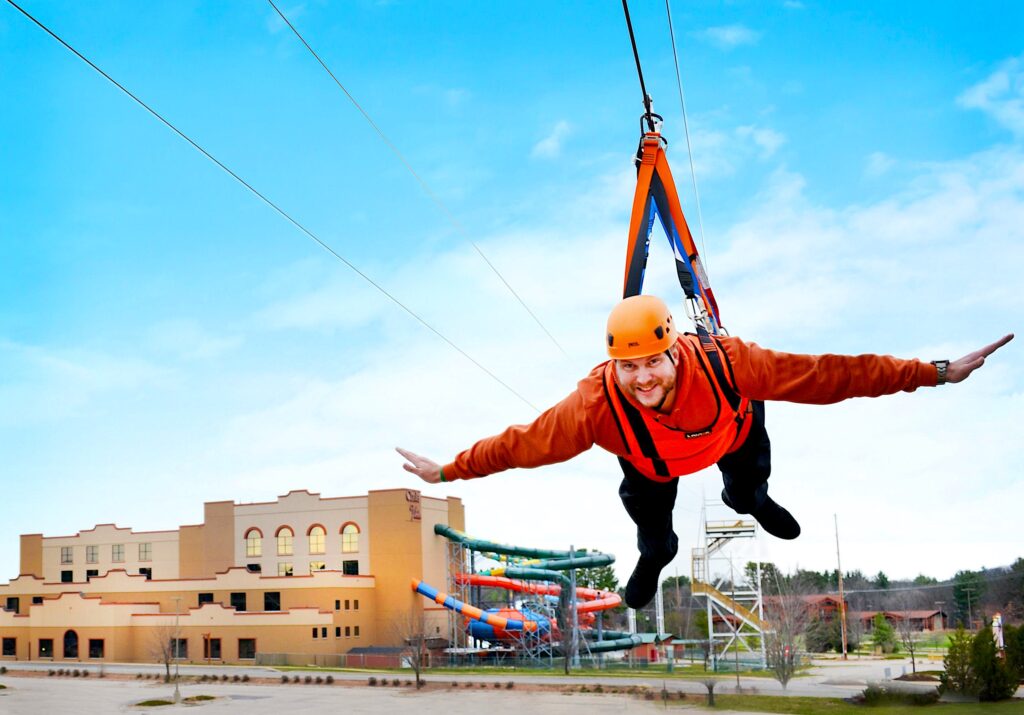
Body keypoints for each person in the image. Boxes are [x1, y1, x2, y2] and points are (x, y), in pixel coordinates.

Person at [397, 295, 1012, 608]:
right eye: (629, 366)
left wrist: (931, 372)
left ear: (676, 350)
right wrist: (450, 467)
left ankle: (751, 497)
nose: (643, 379)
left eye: (653, 363)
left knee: (746, 485)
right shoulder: (594, 404)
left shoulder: (728, 363)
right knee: (650, 521)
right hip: (652, 465)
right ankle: (656, 551)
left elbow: (830, 374)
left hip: (728, 434)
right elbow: (522, 445)